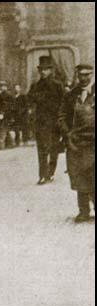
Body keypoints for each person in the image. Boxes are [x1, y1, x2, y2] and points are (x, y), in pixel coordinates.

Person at [58, 64, 95, 222]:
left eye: (87, 75)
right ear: (77, 76)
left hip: (93, 142)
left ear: (92, 75)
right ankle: (83, 211)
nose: (84, 78)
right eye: (81, 75)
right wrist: (67, 134)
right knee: (79, 176)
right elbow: (61, 116)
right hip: (76, 143)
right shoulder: (71, 95)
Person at [27, 56, 64, 185]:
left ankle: (51, 173)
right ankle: (42, 175)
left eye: (46, 69)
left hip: (55, 123)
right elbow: (29, 100)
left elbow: (63, 103)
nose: (43, 72)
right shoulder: (35, 86)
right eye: (41, 69)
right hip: (41, 122)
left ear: (51, 70)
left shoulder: (58, 85)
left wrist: (61, 120)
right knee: (42, 149)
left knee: (54, 149)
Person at [0, 80, 15, 149]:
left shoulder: (8, 95)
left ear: (6, 87)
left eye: (3, 86)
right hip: (2, 115)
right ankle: (11, 143)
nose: (1, 87)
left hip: (7, 115)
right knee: (5, 129)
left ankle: (1, 145)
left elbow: (11, 106)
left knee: (3, 129)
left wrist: (3, 113)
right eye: (0, 86)